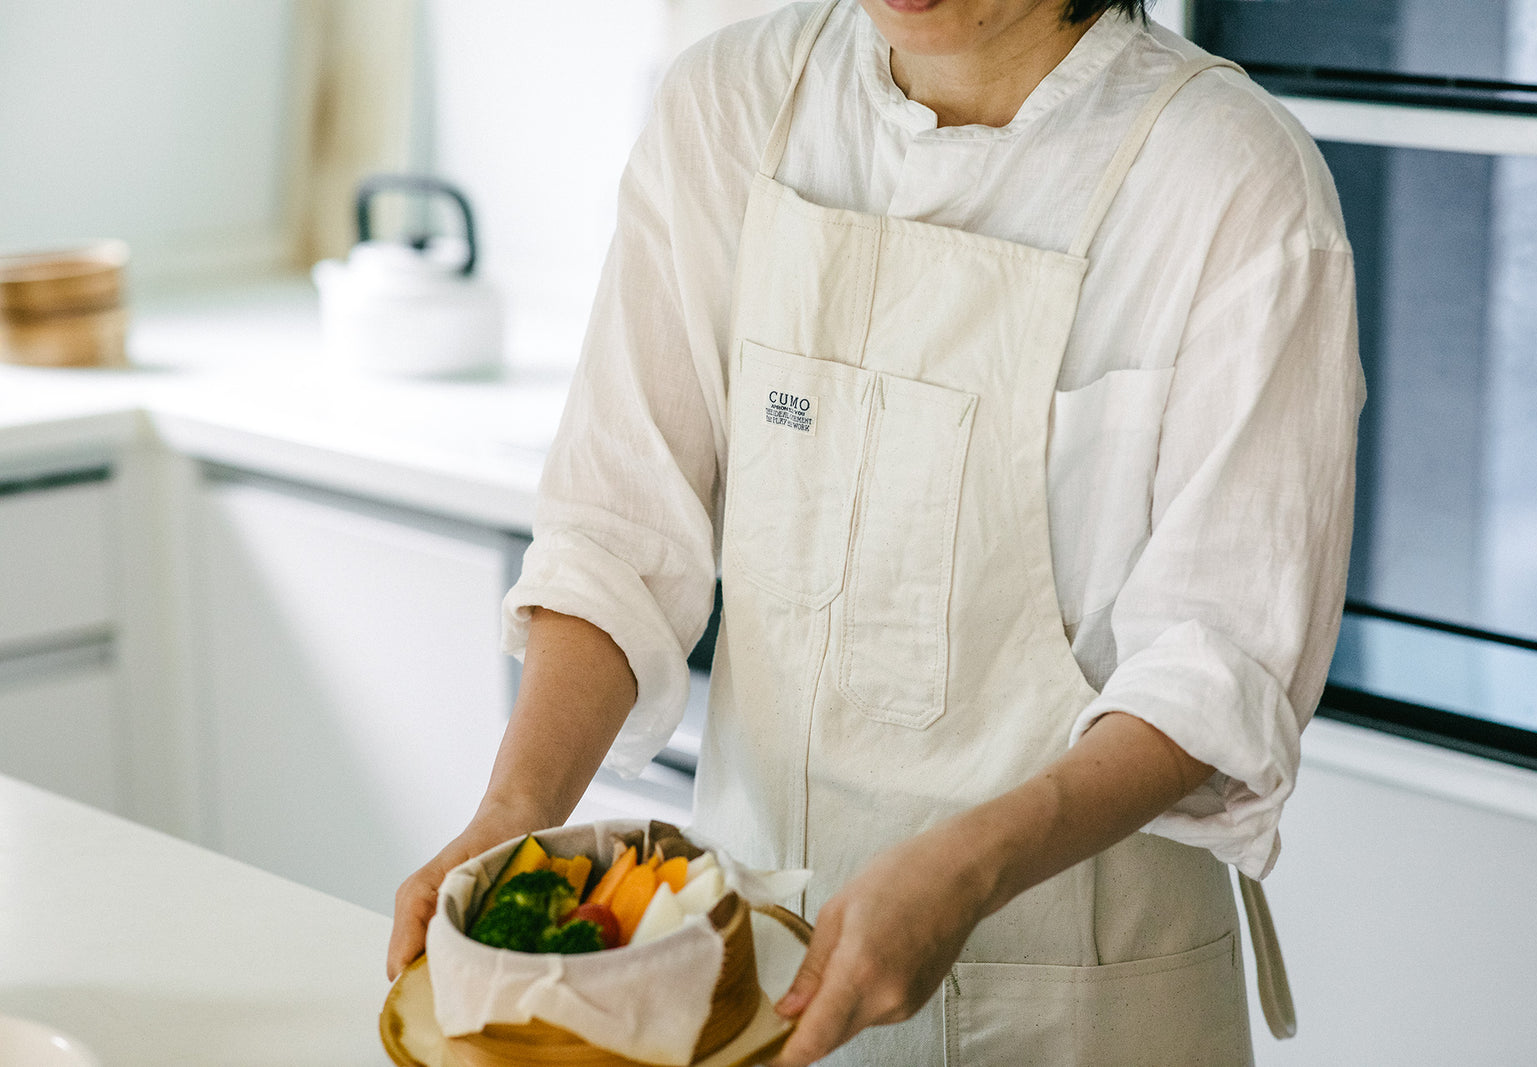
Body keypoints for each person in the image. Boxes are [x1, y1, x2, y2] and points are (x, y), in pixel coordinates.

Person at [387, 0, 1363, 1062]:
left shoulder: (1232, 184)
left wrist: (969, 865)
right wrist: (515, 809)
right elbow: (618, 529)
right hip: (741, 974)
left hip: (1077, 996)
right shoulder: (733, 106)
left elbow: (1214, 667)